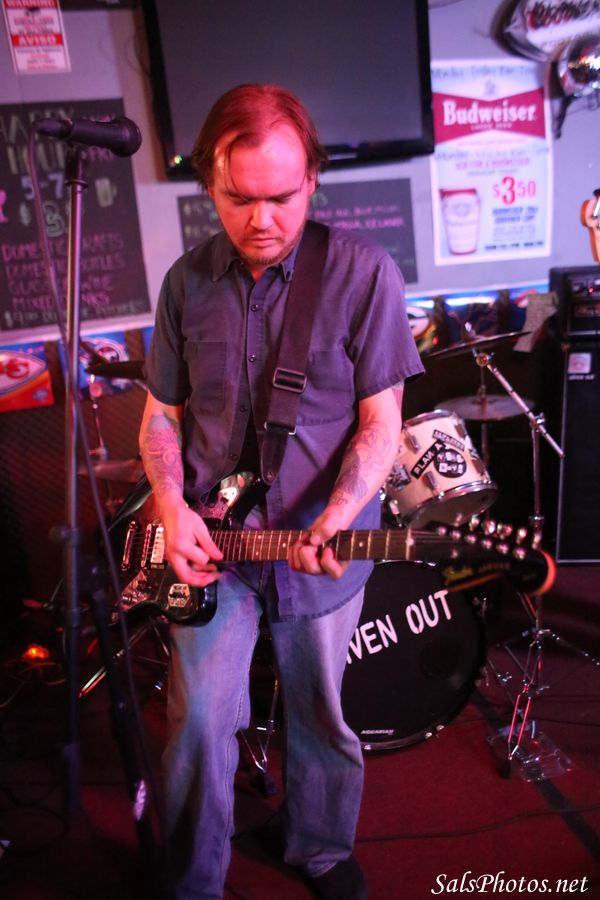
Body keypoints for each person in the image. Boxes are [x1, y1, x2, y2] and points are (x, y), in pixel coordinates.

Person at [139, 83, 424, 900]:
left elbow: (382, 423)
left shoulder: (363, 274)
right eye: (239, 199)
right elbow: (160, 417)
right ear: (209, 184)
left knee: (321, 715)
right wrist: (170, 508)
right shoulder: (186, 283)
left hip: (318, 540)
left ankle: (321, 848)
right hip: (212, 546)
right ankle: (193, 880)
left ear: (312, 181)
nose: (261, 219)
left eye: (282, 197)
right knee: (197, 724)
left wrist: (340, 514)